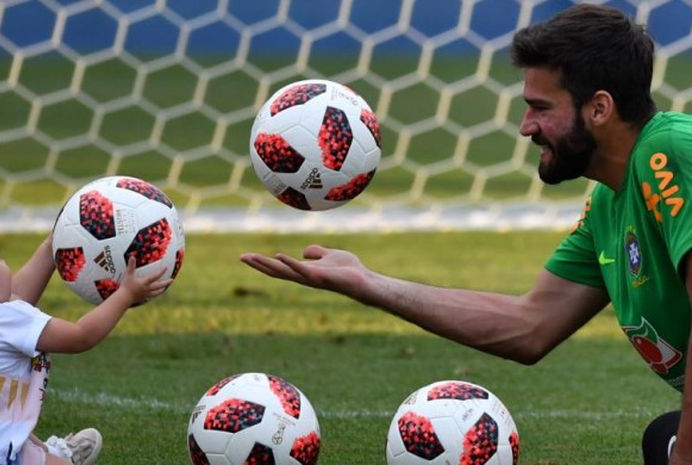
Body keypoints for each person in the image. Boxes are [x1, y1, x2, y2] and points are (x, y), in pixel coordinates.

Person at [240, 4, 692, 465]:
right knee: (661, 437)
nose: (525, 127)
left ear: (599, 108)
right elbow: (529, 325)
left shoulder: (669, 153)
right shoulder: (607, 204)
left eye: (540, 108)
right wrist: (368, 283)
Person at [0, 234, 172, 465]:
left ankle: (47, 451)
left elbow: (16, 298)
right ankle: (59, 456)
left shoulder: (4, 316)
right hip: (1, 456)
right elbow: (81, 337)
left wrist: (51, 246)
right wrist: (126, 294)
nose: (5, 265)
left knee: (10, 423)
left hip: (0, 434)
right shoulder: (9, 318)